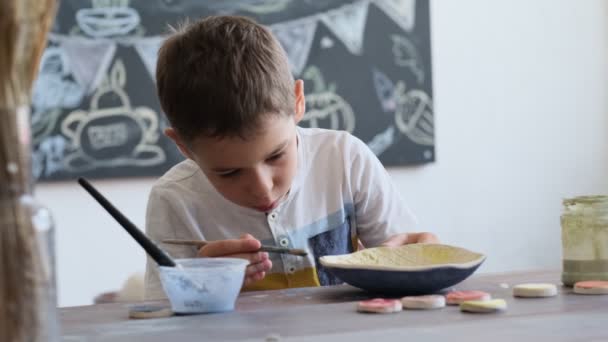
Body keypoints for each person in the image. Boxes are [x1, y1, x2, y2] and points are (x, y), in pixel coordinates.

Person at [144, 15, 438, 300]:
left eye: (275, 155)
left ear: (298, 102)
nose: (262, 187)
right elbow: (160, 321)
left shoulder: (346, 159)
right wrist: (197, 285)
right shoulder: (174, 200)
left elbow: (408, 269)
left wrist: (422, 262)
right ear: (182, 145)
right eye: (230, 173)